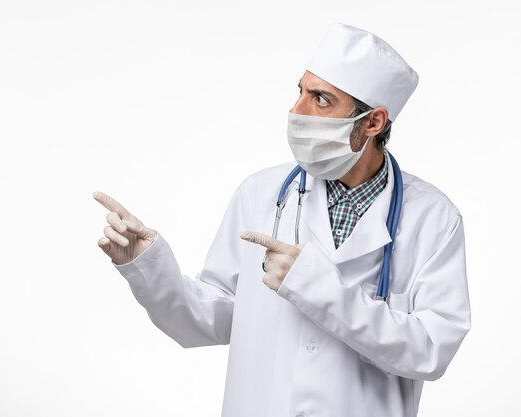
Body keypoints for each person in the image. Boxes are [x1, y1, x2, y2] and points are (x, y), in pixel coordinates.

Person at [93, 22, 471, 417]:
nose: (297, 111)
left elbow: (430, 352)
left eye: (321, 100)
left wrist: (317, 286)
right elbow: (212, 319)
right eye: (300, 92)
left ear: (372, 123)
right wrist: (148, 267)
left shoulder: (433, 218)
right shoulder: (261, 193)